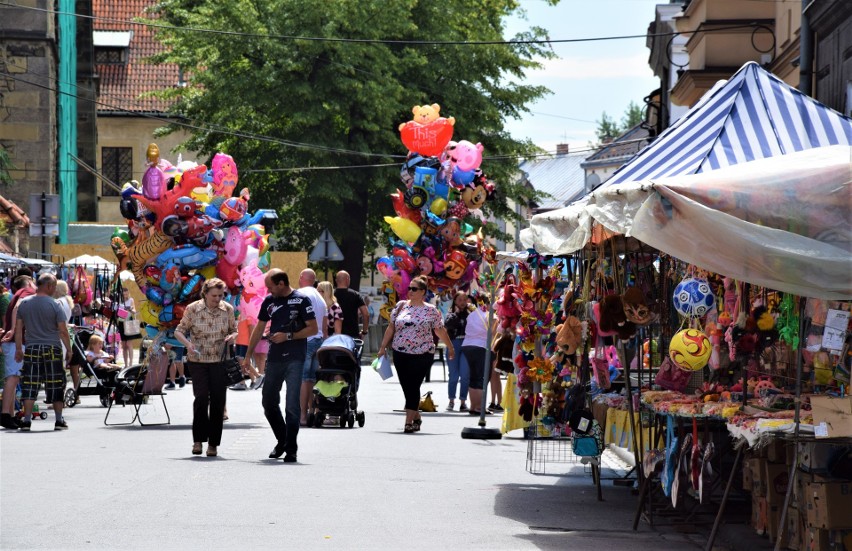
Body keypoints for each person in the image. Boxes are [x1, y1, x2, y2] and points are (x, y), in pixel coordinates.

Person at [244, 269, 317, 463]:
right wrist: (248, 355)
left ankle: (291, 448)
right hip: (275, 357)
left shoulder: (301, 300)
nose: (268, 290)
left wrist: (288, 336)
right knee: (268, 401)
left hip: (295, 357)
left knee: (292, 406)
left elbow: (313, 328)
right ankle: (282, 439)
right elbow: (260, 328)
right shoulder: (269, 301)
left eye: (270, 286)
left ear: (281, 284)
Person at [377, 275, 454, 434]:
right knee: (407, 387)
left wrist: (450, 347)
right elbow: (391, 327)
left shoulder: (431, 310)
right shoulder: (400, 306)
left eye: (414, 289)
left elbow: (439, 330)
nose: (410, 291)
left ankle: (408, 422)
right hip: (400, 352)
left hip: (423, 353)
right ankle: (416, 414)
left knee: (413, 385)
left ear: (423, 292)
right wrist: (382, 347)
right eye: (409, 288)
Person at [174, 278, 238, 457]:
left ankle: (213, 444)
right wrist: (188, 344)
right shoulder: (193, 308)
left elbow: (234, 329)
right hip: (198, 360)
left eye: (220, 295)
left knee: (218, 402)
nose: (217, 299)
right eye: (214, 296)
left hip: (219, 360)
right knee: (201, 398)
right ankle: (198, 440)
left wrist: (232, 337)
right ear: (205, 294)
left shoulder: (228, 309)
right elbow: (178, 331)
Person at [14, 273, 72, 431]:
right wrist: (69, 350)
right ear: (49, 286)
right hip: (52, 348)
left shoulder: (24, 303)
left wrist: (19, 349)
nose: (54, 289)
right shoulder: (55, 305)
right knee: (55, 383)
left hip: (32, 347)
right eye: (53, 286)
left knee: (30, 383)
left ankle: (26, 420)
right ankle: (59, 420)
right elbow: (62, 331)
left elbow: (18, 329)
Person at [1, 276, 36, 429]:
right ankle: (5, 414)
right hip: (16, 341)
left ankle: (11, 414)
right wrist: (15, 330)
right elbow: (18, 308)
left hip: (15, 341)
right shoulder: (27, 291)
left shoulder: (18, 293)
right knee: (13, 377)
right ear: (29, 282)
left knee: (14, 378)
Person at [297, 269, 327, 426]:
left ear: (301, 278)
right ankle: (313, 411)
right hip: (319, 341)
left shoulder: (300, 294)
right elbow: (324, 326)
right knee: (314, 379)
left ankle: (302, 415)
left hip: (305, 340)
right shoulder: (320, 298)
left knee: (303, 379)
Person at [461, 293, 491, 416]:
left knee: (473, 376)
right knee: (480, 377)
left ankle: (473, 406)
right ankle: (479, 407)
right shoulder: (489, 315)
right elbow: (492, 332)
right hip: (481, 346)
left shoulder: (472, 314)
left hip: (467, 345)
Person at [444, 290, 471, 412]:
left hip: (466, 345)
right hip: (453, 344)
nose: (463, 302)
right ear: (455, 301)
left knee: (465, 375)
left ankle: (463, 401)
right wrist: (456, 313)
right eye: (460, 300)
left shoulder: (471, 314)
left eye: (465, 300)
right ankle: (451, 400)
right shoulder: (451, 314)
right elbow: (448, 325)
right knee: (453, 375)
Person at [53, 280, 77, 402]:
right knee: (59, 368)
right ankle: (58, 398)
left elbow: (58, 323)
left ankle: (58, 398)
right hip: (62, 337)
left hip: (58, 338)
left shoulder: (59, 302)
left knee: (57, 370)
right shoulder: (66, 301)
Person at [334, 270, 369, 339]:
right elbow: (366, 314)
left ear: (336, 280)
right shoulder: (355, 295)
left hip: (333, 335)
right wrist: (364, 331)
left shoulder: (331, 295)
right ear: (348, 280)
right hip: (352, 335)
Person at [117, 288, 141, 368]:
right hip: (121, 322)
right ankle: (126, 364)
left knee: (129, 344)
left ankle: (130, 363)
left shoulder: (131, 300)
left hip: (129, 322)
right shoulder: (118, 301)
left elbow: (134, 310)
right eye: (124, 294)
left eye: (126, 293)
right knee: (124, 345)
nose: (125, 295)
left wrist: (130, 309)